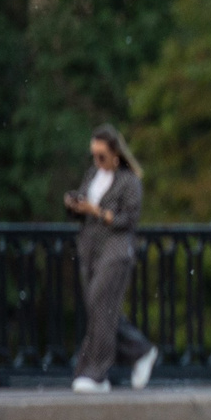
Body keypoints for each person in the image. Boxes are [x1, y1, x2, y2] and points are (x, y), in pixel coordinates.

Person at [66, 124, 155, 394]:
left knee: (101, 304)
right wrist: (75, 205)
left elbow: (128, 219)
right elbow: (84, 209)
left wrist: (99, 211)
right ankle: (141, 350)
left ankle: (96, 373)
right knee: (99, 309)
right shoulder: (93, 174)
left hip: (116, 249)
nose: (97, 161)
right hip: (91, 248)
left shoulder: (129, 181)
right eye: (94, 155)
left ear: (115, 153)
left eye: (102, 156)